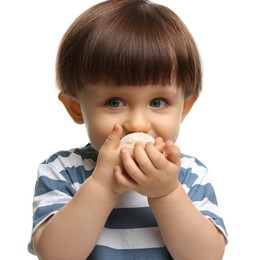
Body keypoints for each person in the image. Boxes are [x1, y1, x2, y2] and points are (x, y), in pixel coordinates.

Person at [28, 0, 228, 259]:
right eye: (115, 102)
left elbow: (206, 256)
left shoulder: (189, 175)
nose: (138, 124)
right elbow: (54, 255)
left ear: (184, 109)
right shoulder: (63, 170)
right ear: (76, 108)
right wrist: (101, 185)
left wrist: (166, 192)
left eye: (158, 102)